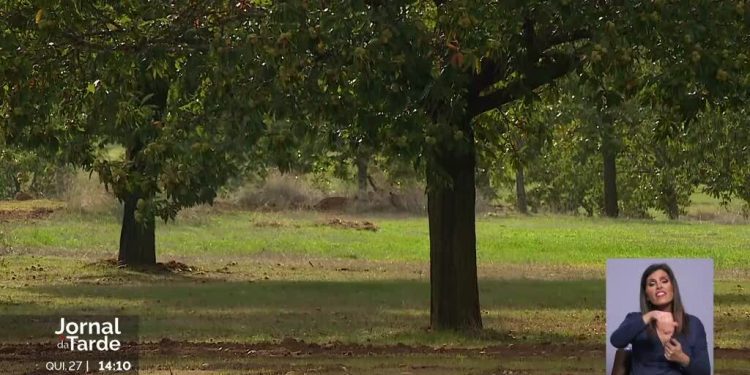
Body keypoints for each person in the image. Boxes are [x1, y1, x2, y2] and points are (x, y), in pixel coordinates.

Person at [610, 263, 710, 375]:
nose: (659, 286)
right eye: (652, 284)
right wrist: (650, 315)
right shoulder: (636, 319)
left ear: (673, 288)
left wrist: (682, 358)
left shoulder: (693, 324)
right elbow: (616, 341)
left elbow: (705, 372)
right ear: (647, 295)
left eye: (664, 281)